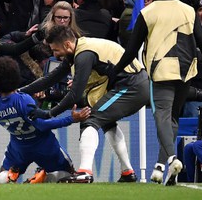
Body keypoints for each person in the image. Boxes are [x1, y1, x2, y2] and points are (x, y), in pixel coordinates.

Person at [113, 0, 202, 186]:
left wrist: (114, 71)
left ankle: (171, 158)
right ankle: (160, 168)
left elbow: (131, 50)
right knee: (173, 119)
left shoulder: (147, 13)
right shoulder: (188, 10)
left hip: (161, 71)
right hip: (186, 72)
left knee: (162, 117)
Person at [25, 25, 149, 183]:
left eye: (55, 50)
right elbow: (50, 78)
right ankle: (127, 172)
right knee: (107, 122)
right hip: (133, 84)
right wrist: (21, 91)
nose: (55, 55)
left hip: (132, 86)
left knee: (91, 119)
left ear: (67, 44)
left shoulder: (84, 55)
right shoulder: (80, 50)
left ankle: (85, 172)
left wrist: (49, 113)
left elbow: (75, 94)